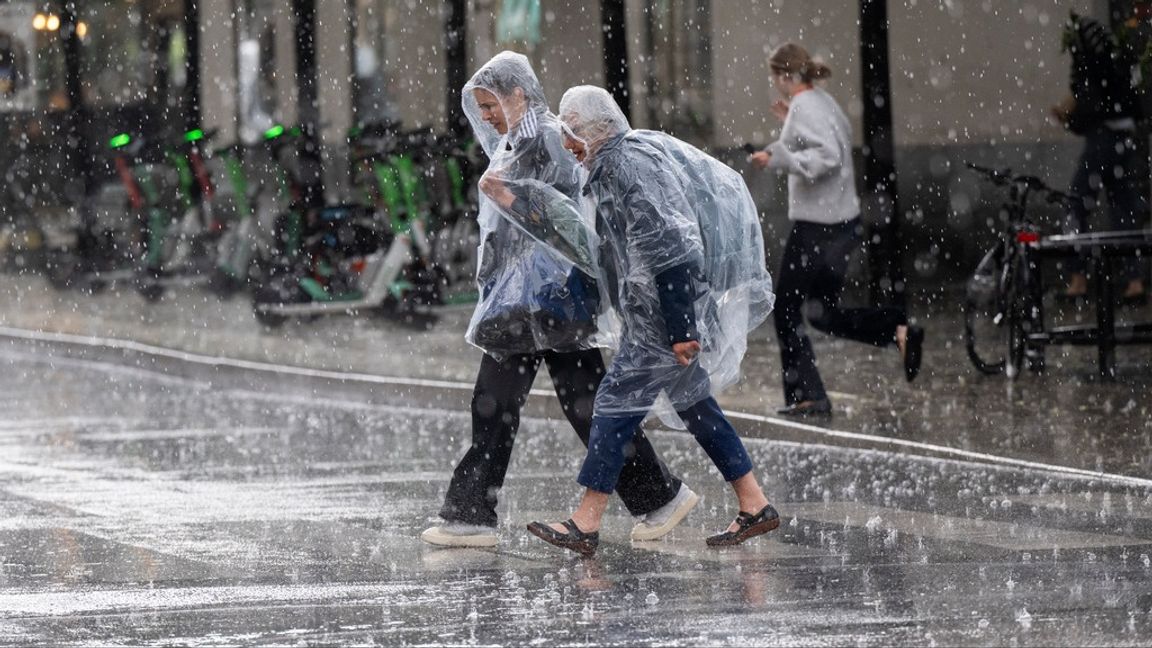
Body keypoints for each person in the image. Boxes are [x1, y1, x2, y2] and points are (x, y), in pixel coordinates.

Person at [421, 53, 698, 549]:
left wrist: (510, 198)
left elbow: (572, 218)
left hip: (554, 299)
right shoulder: (515, 142)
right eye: (480, 106)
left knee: (570, 405)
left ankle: (657, 497)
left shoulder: (550, 138)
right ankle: (472, 514)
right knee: (505, 403)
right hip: (519, 302)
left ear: (518, 95)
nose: (484, 115)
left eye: (490, 104)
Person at [526, 85, 779, 556]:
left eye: (571, 131)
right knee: (697, 405)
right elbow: (613, 249)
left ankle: (586, 520)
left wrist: (682, 327)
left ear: (596, 129)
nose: (566, 142)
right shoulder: (608, 168)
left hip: (662, 321)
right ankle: (754, 502)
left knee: (613, 404)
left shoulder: (626, 165)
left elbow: (672, 246)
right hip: (653, 317)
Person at [749, 43, 924, 419]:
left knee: (785, 309)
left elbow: (827, 157)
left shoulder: (807, 106)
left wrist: (778, 156)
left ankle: (809, 396)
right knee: (822, 313)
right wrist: (789, 129)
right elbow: (832, 143)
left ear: (783, 75)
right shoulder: (820, 102)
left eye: (773, 75)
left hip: (818, 226)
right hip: (842, 223)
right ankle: (896, 328)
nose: (774, 83)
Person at [1050, 13, 1148, 304]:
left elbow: (1087, 108)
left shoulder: (1092, 66)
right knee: (1124, 207)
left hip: (1104, 139)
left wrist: (1069, 116)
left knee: (1076, 204)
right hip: (1125, 138)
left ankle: (1078, 279)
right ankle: (1134, 282)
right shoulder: (1117, 62)